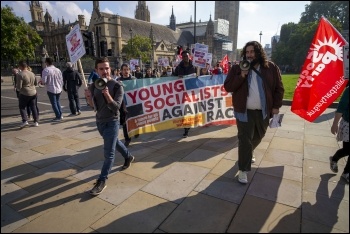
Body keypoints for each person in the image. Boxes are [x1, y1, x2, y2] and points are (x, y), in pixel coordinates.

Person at [224, 40, 284, 184]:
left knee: (259, 135)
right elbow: (228, 87)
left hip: (263, 111)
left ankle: (248, 152)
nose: (250, 55)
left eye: (252, 52)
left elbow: (279, 88)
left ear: (258, 52)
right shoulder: (238, 68)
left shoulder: (270, 68)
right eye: (247, 52)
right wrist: (241, 76)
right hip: (243, 111)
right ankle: (243, 170)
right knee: (244, 140)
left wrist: (276, 106)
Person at [85, 57, 134, 196]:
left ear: (110, 69)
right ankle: (128, 156)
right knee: (115, 142)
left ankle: (102, 180)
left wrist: (107, 95)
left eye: (106, 68)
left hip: (112, 121)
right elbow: (93, 107)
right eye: (101, 69)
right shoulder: (94, 85)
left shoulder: (117, 86)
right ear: (96, 70)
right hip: (100, 122)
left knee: (109, 153)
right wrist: (88, 97)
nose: (104, 71)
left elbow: (116, 107)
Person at [174, 50, 196, 138]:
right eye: (184, 57)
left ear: (189, 56)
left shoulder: (194, 66)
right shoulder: (178, 68)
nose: (186, 58)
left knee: (190, 109)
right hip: (182, 93)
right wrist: (177, 77)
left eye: (187, 56)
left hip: (192, 92)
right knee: (184, 110)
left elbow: (202, 75)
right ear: (182, 58)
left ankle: (189, 124)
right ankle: (186, 129)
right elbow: (173, 78)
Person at [329, 84, 349, 183]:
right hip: (348, 124)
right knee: (348, 149)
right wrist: (335, 124)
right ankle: (334, 158)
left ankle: (346, 172)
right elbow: (341, 107)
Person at [117, 63, 139, 146]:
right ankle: (127, 138)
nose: (126, 71)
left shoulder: (134, 79)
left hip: (133, 103)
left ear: (129, 70)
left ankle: (136, 131)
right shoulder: (118, 81)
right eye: (124, 70)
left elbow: (138, 89)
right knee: (124, 122)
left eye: (127, 69)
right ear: (121, 71)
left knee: (134, 119)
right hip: (123, 105)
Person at [16, 61, 39, 128]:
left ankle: (25, 120)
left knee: (22, 107)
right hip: (33, 92)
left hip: (25, 92)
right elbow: (35, 83)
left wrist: (18, 90)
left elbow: (19, 86)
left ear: (21, 66)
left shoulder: (20, 74)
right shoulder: (32, 73)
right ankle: (36, 121)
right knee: (33, 106)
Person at [40, 57, 64, 121]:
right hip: (59, 88)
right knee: (57, 102)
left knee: (54, 103)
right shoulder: (58, 70)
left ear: (47, 62)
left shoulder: (46, 70)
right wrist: (61, 86)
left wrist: (41, 82)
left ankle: (58, 116)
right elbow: (61, 79)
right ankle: (60, 115)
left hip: (51, 88)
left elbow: (44, 81)